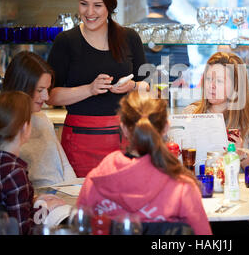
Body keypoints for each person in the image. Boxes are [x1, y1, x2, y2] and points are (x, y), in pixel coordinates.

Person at [47, 0, 149, 178]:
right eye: (84, 4)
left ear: (110, 7)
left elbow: (149, 88)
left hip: (124, 140)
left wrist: (133, 87)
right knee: (82, 203)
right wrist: (89, 89)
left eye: (98, 5)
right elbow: (50, 96)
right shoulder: (66, 41)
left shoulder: (129, 38)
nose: (89, 12)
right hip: (79, 141)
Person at [77, 91, 212, 235]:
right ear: (166, 127)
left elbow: (78, 228)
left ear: (124, 128)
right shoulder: (183, 186)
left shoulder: (95, 181)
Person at [0, 51, 76, 188]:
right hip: (31, 201)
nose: (46, 97)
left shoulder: (42, 119)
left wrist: (72, 191)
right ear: (21, 87)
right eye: (40, 90)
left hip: (56, 197)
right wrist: (39, 200)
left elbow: (64, 165)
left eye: (47, 89)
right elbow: (1, 186)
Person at [0, 91, 64, 235]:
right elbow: (22, 230)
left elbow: (6, 208)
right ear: (25, 127)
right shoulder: (15, 173)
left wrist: (33, 201)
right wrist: (46, 210)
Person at [183, 52, 249, 170]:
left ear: (236, 86)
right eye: (209, 79)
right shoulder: (191, 114)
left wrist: (241, 154)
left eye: (219, 81)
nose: (211, 85)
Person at [136, 0, 190, 85]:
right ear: (169, 3)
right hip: (169, 85)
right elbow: (182, 64)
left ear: (147, 2)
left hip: (141, 86)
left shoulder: (137, 27)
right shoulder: (177, 27)